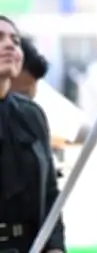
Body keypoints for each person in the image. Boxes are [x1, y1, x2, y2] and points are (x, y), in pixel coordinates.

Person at [0, 15, 65, 252]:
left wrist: (55, 247)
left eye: (15, 41)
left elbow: (50, 193)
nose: (9, 45)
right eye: (0, 38)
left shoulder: (31, 115)